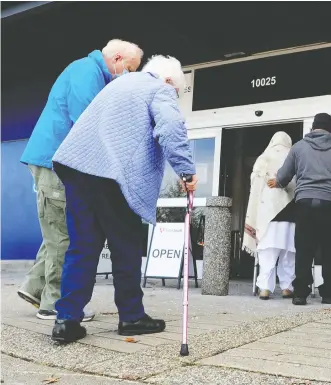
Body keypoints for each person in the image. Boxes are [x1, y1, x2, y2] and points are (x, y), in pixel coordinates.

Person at [50, 55, 198, 343]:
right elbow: (170, 126)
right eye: (177, 91)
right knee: (125, 246)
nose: (175, 96)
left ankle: (66, 320)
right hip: (112, 175)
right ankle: (131, 317)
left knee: (82, 248)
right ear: (169, 81)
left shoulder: (117, 86)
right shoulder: (159, 89)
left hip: (78, 168)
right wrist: (187, 170)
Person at [18, 39, 144, 321]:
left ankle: (35, 287)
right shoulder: (86, 71)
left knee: (56, 226)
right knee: (65, 233)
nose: (130, 75)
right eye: (130, 68)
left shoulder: (89, 72)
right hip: (56, 161)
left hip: (54, 160)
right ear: (118, 58)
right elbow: (87, 122)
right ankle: (53, 303)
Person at [268, 113, 331, 305]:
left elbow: (284, 176)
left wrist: (276, 182)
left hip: (305, 205)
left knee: (304, 249)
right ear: (330, 129)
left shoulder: (299, 147)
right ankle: (328, 294)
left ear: (312, 128)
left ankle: (300, 293)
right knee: (330, 251)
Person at [243, 132, 296, 300]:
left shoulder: (264, 157)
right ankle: (287, 287)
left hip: (268, 211)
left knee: (267, 251)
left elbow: (255, 184)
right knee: (289, 251)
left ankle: (265, 288)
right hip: (290, 210)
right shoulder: (294, 155)